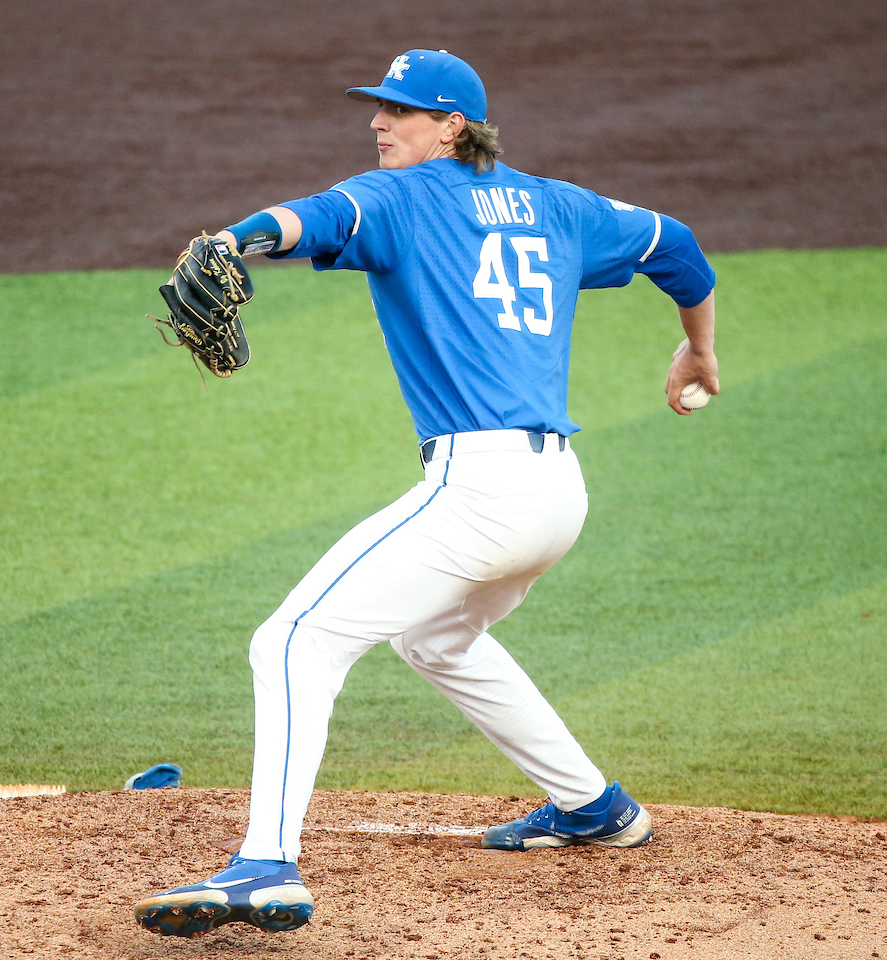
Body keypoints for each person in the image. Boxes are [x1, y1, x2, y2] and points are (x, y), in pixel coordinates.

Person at [134, 48, 719, 938]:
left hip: (479, 489)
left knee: (292, 641)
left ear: (453, 125)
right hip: (557, 492)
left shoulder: (402, 197)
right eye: (378, 107)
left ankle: (264, 867)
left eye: (400, 111)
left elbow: (307, 219)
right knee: (437, 638)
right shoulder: (561, 206)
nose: (379, 122)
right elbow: (675, 246)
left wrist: (229, 241)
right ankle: (593, 806)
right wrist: (700, 349)